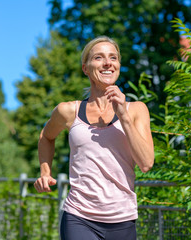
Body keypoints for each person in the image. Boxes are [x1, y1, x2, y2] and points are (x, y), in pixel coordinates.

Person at [34, 36, 154, 240]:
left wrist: (123, 116)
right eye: (99, 57)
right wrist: (45, 171)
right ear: (86, 68)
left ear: (118, 65)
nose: (107, 63)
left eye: (113, 58)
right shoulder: (68, 111)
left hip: (122, 218)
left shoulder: (136, 110)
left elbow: (146, 163)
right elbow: (46, 136)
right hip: (78, 216)